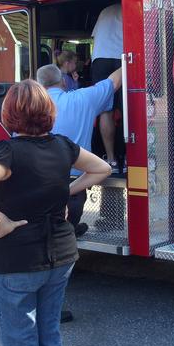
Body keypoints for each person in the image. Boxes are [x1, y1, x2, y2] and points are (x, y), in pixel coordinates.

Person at [0, 80, 111, 346]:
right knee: (49, 340)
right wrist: (65, 190)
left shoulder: (7, 152)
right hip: (60, 258)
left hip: (14, 263)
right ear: (49, 112)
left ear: (9, 114)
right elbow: (102, 169)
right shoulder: (63, 146)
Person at [37, 64, 122, 236]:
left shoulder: (30, 109)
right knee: (63, 235)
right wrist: (127, 60)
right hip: (73, 186)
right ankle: (71, 229)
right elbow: (113, 82)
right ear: (63, 81)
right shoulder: (83, 98)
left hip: (39, 184)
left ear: (39, 85)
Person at [91, 3, 123, 171]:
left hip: (100, 59)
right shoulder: (132, 6)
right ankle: (128, 158)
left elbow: (95, 37)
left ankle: (111, 159)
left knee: (106, 111)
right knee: (129, 108)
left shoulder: (104, 10)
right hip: (123, 57)